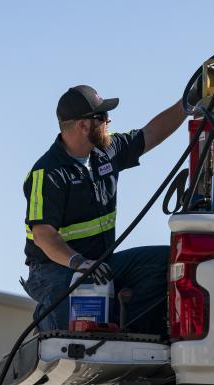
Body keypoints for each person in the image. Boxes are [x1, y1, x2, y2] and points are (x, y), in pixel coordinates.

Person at [21, 84, 187, 335]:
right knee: (74, 337)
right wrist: (78, 263)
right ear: (83, 126)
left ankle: (134, 332)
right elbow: (43, 234)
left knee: (167, 261)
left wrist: (186, 105)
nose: (108, 121)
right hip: (56, 270)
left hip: (99, 265)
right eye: (102, 117)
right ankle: (48, 322)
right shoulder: (47, 173)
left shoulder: (106, 152)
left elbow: (150, 133)